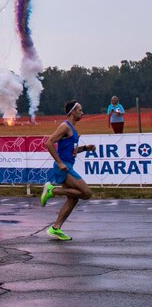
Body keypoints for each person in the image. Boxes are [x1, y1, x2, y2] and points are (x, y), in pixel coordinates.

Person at [40, 101, 95, 241]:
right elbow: (49, 143)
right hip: (63, 167)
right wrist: (59, 163)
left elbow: (72, 151)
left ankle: (55, 228)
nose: (82, 113)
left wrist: (86, 148)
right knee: (87, 193)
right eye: (80, 110)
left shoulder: (73, 129)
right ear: (72, 112)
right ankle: (52, 190)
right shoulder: (65, 126)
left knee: (74, 198)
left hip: (68, 165)